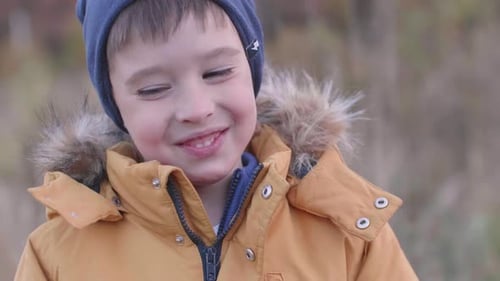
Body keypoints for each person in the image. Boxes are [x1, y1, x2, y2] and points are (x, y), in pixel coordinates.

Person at [14, 0, 418, 280]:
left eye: (217, 72)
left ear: (251, 68)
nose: (196, 107)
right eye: (154, 89)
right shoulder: (59, 255)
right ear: (116, 105)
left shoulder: (348, 228)